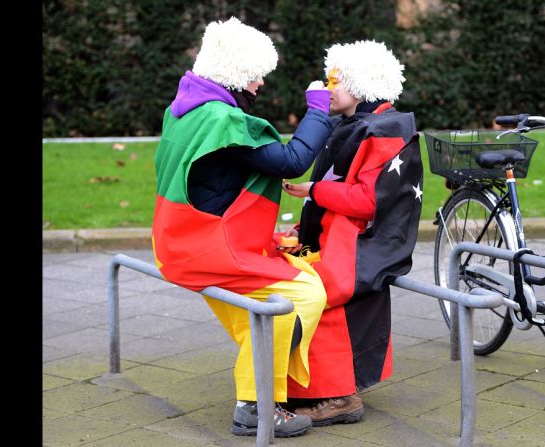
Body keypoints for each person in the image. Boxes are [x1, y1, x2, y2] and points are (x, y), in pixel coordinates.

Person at [151, 17, 333, 438]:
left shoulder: (185, 106)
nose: (259, 86)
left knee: (290, 283)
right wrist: (318, 110)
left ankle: (266, 390)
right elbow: (291, 162)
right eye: (254, 77)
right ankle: (256, 404)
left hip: (176, 240)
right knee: (301, 294)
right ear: (235, 75)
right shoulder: (223, 120)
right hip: (206, 248)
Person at [281, 40, 423, 426]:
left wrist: (314, 192)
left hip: (362, 244)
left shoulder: (384, 130)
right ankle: (312, 389)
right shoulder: (355, 125)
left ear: (359, 84)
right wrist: (306, 222)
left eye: (334, 80)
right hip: (340, 235)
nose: (327, 88)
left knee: (320, 295)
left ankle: (339, 396)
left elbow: (368, 200)